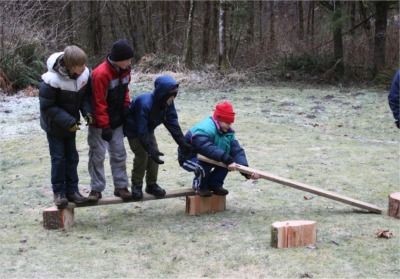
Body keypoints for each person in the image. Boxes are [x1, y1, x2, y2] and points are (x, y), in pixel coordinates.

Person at [124, 74, 192, 199]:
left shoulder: (168, 104)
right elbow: (141, 130)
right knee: (143, 155)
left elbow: (172, 123)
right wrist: (149, 149)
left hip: (147, 129)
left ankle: (151, 184)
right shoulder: (145, 103)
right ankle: (136, 186)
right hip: (133, 129)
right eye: (170, 95)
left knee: (155, 155)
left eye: (174, 95)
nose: (172, 98)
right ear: (162, 94)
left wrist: (183, 143)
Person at [39, 45, 91, 208]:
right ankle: (59, 193)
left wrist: (88, 113)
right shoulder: (51, 80)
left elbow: (84, 98)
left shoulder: (83, 75)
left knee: (72, 157)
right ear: (70, 66)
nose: (84, 68)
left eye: (84, 64)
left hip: (71, 124)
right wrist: (69, 122)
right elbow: (47, 107)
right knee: (59, 158)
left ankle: (73, 191)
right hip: (54, 126)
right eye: (80, 66)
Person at [178, 101, 259, 197]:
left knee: (226, 163)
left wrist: (247, 172)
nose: (229, 126)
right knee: (203, 166)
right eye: (227, 123)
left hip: (208, 157)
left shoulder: (228, 132)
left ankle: (214, 185)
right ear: (219, 119)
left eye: (231, 123)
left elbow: (236, 150)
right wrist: (228, 159)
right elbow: (206, 148)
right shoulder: (205, 128)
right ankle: (200, 186)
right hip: (189, 157)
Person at [87, 39, 134, 202]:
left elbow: (125, 89)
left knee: (119, 153)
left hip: (117, 120)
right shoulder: (100, 74)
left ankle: (121, 186)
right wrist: (104, 126)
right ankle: (96, 189)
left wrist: (126, 107)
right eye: (127, 59)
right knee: (97, 155)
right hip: (99, 123)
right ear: (118, 59)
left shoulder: (126, 69)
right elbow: (98, 102)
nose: (130, 62)